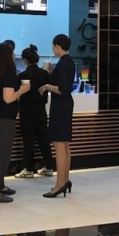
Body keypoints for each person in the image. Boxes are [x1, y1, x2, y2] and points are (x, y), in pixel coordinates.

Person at [0, 42, 30, 203]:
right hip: (4, 119)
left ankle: (0, 185)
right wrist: (22, 91)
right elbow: (8, 98)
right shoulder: (9, 74)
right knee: (2, 156)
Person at [39, 34, 75, 198]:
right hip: (64, 105)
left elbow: (62, 89)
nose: (53, 49)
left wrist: (47, 86)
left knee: (59, 144)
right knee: (64, 144)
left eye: (53, 46)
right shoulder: (68, 62)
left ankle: (60, 183)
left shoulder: (64, 63)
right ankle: (65, 180)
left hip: (60, 106)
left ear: (58, 46)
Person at [15, 44, 54, 179]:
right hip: (41, 111)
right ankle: (49, 167)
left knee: (28, 141)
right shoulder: (44, 74)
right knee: (44, 140)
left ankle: (29, 169)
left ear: (25, 60)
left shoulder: (22, 75)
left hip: (26, 112)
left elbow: (18, 93)